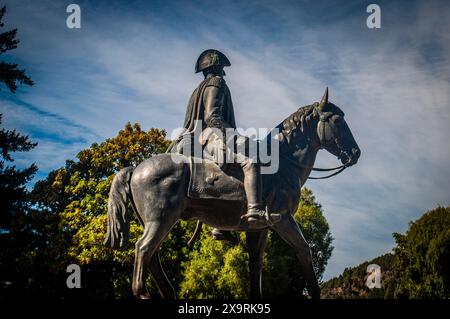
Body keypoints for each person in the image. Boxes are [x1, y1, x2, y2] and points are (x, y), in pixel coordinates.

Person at [168, 49, 268, 243]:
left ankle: (221, 226)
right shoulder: (217, 83)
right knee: (250, 162)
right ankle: (255, 211)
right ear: (216, 67)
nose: (224, 72)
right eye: (222, 67)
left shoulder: (199, 88)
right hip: (211, 134)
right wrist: (235, 136)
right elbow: (212, 117)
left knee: (228, 168)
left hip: (201, 135)